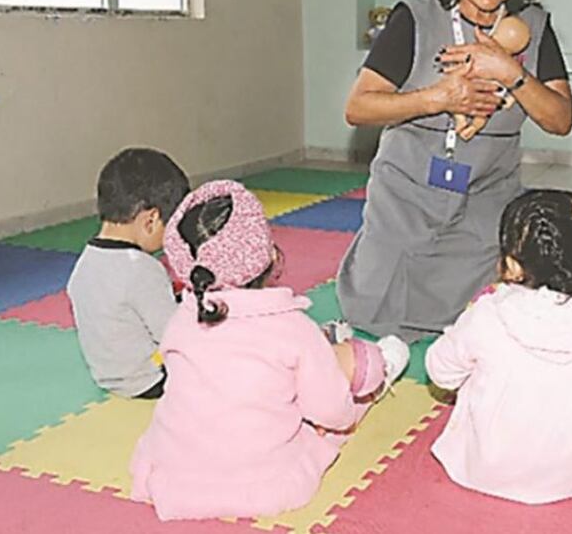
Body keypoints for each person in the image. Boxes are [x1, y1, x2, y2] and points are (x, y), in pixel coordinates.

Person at [339, 0, 572, 340]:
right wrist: (439, 97)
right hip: (406, 195)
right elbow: (358, 107)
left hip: (486, 199)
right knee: (373, 314)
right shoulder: (414, 17)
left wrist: (511, 72)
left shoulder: (534, 27)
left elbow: (560, 119)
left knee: (485, 324)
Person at [129, 180, 409, 521]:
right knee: (356, 374)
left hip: (176, 469)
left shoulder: (180, 320)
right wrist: (348, 412)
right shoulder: (291, 327)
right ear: (264, 252)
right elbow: (331, 409)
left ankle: (337, 348)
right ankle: (384, 363)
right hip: (261, 476)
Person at [425, 190, 572, 504]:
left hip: (483, 469)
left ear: (512, 265)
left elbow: (440, 372)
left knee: (474, 362)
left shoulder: (489, 314)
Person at [67, 147, 190, 398]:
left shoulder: (86, 261)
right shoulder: (141, 268)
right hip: (150, 380)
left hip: (106, 376)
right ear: (151, 220)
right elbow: (175, 335)